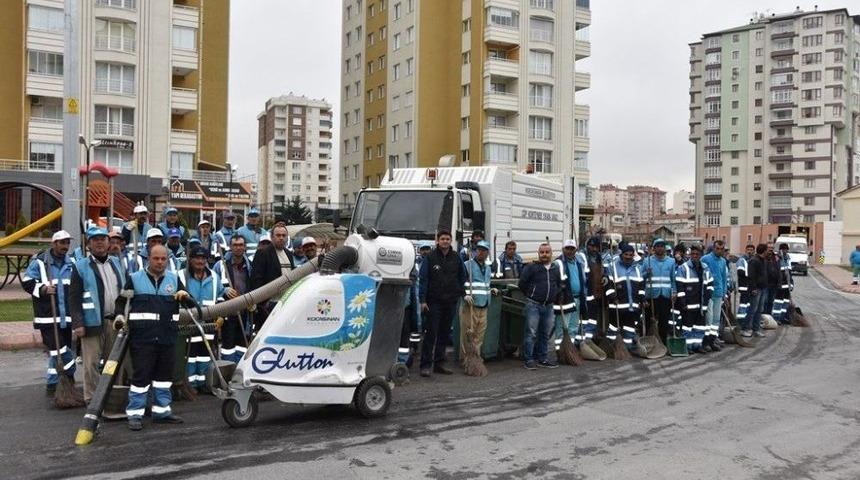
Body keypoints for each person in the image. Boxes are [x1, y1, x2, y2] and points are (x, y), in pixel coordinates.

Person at [114, 245, 186, 430]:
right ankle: (135, 414)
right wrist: (120, 317)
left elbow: (187, 302)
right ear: (148, 259)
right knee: (141, 377)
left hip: (167, 337)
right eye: (156, 258)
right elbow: (121, 303)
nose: (160, 262)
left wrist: (184, 296)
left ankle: (162, 412)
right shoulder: (135, 279)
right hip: (142, 339)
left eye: (163, 259)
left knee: (164, 377)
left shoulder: (174, 279)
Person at [69, 227, 124, 403]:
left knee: (113, 363)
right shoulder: (80, 266)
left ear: (108, 243)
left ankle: (111, 397)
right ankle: (92, 400)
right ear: (89, 244)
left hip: (115, 322)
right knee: (91, 364)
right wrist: (78, 323)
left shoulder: (116, 263)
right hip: (91, 322)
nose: (99, 242)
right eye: (95, 239)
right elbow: (74, 297)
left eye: (102, 239)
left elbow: (124, 291)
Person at [23, 231, 77, 396]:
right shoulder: (40, 263)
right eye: (62, 243)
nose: (65, 247)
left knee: (60, 350)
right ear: (54, 244)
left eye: (67, 243)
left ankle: (53, 384)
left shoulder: (72, 263)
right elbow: (27, 282)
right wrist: (44, 289)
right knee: (59, 351)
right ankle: (70, 373)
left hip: (66, 317)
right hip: (47, 317)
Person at [418, 230, 467, 377]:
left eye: (447, 239)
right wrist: (422, 300)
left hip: (450, 302)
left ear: (451, 241)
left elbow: (462, 276)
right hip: (434, 303)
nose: (445, 241)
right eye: (442, 239)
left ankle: (439, 364)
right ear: (437, 241)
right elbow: (424, 279)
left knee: (444, 334)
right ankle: (425, 365)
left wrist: (458, 292)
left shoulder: (456, 258)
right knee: (431, 334)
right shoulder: (430, 258)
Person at [178, 246, 226, 392]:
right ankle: (190, 385)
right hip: (188, 324)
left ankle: (204, 383)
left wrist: (221, 316)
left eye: (202, 258)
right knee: (190, 356)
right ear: (190, 260)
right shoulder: (180, 276)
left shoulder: (214, 277)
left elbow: (220, 298)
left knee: (205, 355)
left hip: (209, 325)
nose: (200, 261)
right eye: (196, 258)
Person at [518, 243, 562, 370]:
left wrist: (554, 295)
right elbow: (522, 283)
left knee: (545, 333)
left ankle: (543, 358)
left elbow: (558, 284)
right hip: (534, 305)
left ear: (551, 254)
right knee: (531, 333)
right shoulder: (532, 267)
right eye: (542, 252)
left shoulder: (555, 269)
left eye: (547, 252)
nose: (544, 255)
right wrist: (531, 295)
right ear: (538, 253)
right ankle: (529, 359)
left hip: (548, 306)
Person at [460, 240, 498, 375]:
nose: (481, 252)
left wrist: (491, 289)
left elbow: (485, 284)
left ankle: (476, 358)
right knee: (468, 333)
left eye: (484, 250)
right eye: (479, 249)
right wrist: (464, 295)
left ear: (488, 253)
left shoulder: (488, 268)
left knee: (479, 335)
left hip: (484, 305)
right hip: (471, 305)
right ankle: (466, 359)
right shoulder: (466, 265)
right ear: (475, 251)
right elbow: (460, 283)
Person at [250, 223, 295, 330]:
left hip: (286, 302)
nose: (281, 238)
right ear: (272, 237)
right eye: (278, 235)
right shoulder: (263, 253)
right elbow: (256, 279)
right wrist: (263, 303)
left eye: (284, 236)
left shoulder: (289, 254)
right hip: (269, 305)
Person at [216, 235, 252, 363]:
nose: (238, 248)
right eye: (235, 245)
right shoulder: (220, 265)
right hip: (227, 312)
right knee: (228, 346)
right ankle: (228, 369)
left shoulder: (249, 266)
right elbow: (214, 284)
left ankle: (239, 368)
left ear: (245, 247)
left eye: (241, 245)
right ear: (230, 247)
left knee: (242, 345)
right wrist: (223, 290)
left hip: (244, 312)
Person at [604, 244, 647, 352]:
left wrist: (642, 299)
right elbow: (607, 285)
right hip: (617, 305)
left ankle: (626, 349)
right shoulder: (612, 267)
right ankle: (610, 346)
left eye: (631, 255)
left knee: (629, 328)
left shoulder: (637, 269)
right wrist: (612, 297)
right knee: (613, 328)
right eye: (626, 254)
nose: (628, 257)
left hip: (632, 306)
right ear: (621, 254)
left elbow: (641, 287)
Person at [675, 244, 714, 353]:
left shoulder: (705, 268)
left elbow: (710, 283)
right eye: (693, 254)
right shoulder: (683, 268)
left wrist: (708, 295)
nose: (695, 256)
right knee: (688, 327)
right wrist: (682, 301)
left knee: (700, 327)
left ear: (701, 255)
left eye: (697, 254)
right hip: (688, 304)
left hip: (701, 304)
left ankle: (697, 345)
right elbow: (679, 285)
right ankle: (688, 346)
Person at [554, 240, 588, 351]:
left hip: (578, 299)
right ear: (563, 249)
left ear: (576, 249)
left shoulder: (579, 262)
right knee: (563, 326)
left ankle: (570, 350)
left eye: (572, 248)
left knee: (574, 326)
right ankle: (560, 351)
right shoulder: (558, 263)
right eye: (567, 248)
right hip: (565, 300)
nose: (569, 251)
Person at [642, 238, 676, 343]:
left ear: (665, 248)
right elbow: (640, 279)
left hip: (665, 295)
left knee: (664, 320)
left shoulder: (671, 261)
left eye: (662, 246)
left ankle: (663, 341)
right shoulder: (647, 261)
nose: (660, 248)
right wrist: (646, 273)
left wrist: (674, 292)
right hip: (651, 295)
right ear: (654, 248)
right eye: (658, 246)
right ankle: (648, 341)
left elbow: (673, 279)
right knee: (649, 320)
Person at [701, 240, 728, 351]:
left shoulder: (723, 261)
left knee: (716, 319)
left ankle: (712, 340)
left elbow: (724, 278)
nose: (719, 251)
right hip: (708, 293)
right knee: (709, 319)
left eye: (721, 249)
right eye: (717, 248)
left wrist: (724, 293)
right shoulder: (705, 259)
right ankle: (705, 342)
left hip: (718, 293)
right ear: (713, 248)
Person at [743, 244, 769, 338]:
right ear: (764, 251)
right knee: (752, 309)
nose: (768, 252)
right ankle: (745, 328)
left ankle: (756, 329)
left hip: (763, 288)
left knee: (759, 310)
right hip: (756, 289)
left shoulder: (763, 261)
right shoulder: (754, 261)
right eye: (767, 250)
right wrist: (753, 288)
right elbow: (751, 276)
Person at [772, 243, 793, 324]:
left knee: (785, 301)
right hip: (780, 284)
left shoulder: (788, 258)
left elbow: (789, 273)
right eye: (784, 249)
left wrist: (791, 283)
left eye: (786, 249)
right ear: (780, 249)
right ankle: (776, 318)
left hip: (787, 284)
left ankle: (782, 317)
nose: (785, 251)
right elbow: (776, 272)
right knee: (778, 301)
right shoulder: (777, 258)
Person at [735, 244, 756, 325]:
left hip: (750, 286)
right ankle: (741, 321)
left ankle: (746, 320)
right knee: (743, 304)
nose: (750, 251)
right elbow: (740, 272)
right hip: (744, 286)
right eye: (748, 250)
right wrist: (751, 275)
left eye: (751, 250)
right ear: (745, 250)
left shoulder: (753, 260)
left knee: (748, 304)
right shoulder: (742, 260)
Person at [764, 244, 779, 316]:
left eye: (772, 247)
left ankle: (769, 316)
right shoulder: (763, 257)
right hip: (765, 283)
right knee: (765, 301)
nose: (770, 249)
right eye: (769, 247)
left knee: (771, 301)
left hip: (774, 283)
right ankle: (764, 316)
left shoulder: (776, 258)